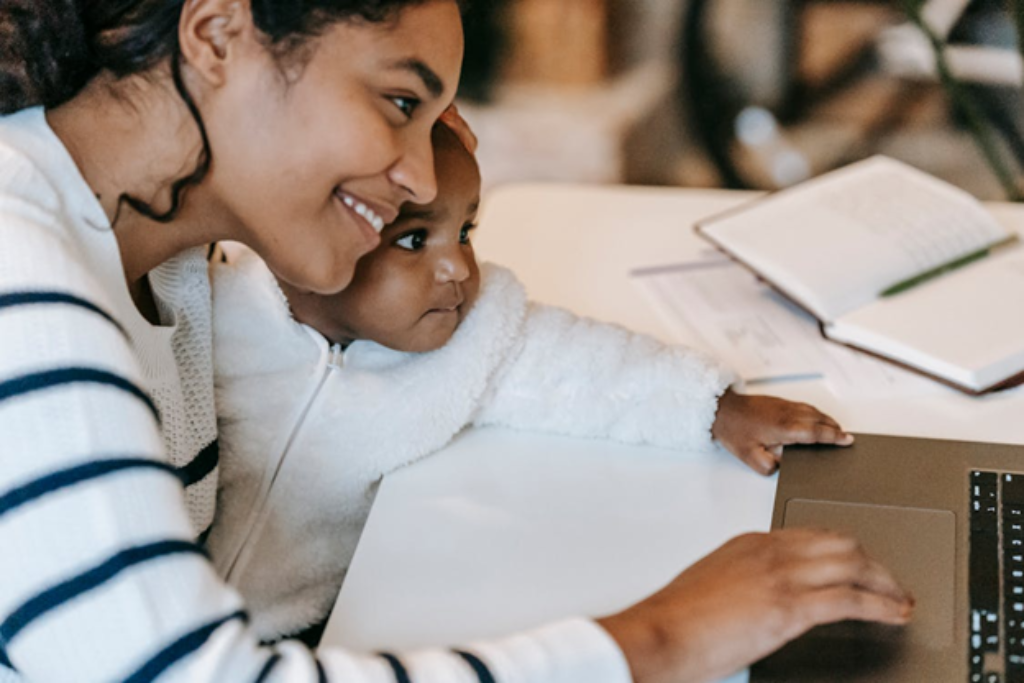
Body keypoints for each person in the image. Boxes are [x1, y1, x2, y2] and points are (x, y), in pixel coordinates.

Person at [0, 1, 913, 682]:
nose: (415, 174)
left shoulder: (163, 268)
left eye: (433, 122)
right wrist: (660, 637)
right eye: (398, 100)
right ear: (214, 36)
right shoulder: (27, 288)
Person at [208, 122, 867, 645]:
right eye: (412, 241)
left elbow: (579, 366)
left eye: (464, 230)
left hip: (318, 629)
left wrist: (714, 407)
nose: (456, 268)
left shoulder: (466, 337)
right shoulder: (215, 304)